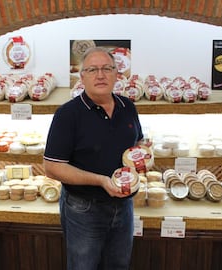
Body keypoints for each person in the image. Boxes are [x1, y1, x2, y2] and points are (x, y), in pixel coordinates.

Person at [43, 46, 143, 270]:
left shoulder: (128, 107)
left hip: (124, 205)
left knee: (119, 265)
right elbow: (52, 167)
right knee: (83, 266)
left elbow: (137, 142)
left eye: (107, 68)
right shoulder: (68, 114)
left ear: (117, 74)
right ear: (82, 77)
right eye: (93, 69)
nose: (100, 75)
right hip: (84, 209)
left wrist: (143, 153)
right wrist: (100, 180)